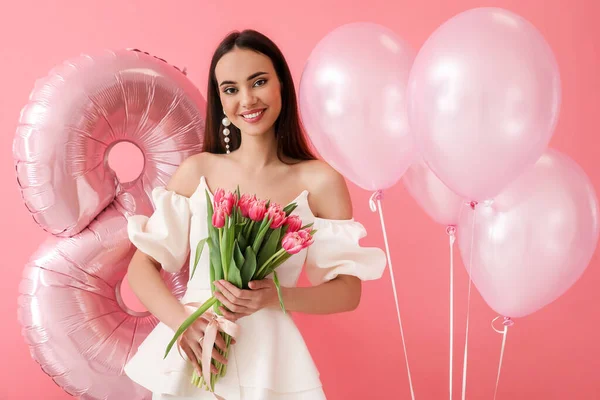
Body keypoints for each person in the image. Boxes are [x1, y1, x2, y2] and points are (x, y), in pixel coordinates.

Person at [124, 29, 387, 400]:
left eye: (259, 82)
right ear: (220, 98)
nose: (246, 99)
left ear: (282, 84)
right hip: (197, 353)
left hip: (271, 361)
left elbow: (348, 292)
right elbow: (142, 267)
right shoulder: (198, 171)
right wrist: (183, 323)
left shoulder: (320, 181)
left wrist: (274, 297)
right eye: (230, 89)